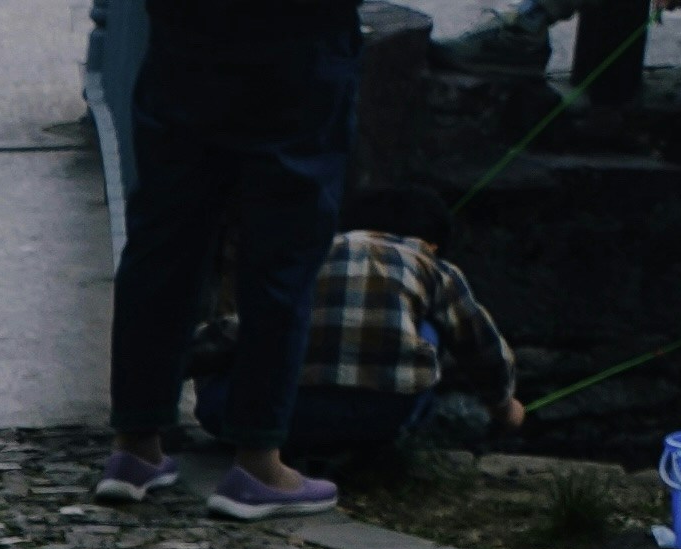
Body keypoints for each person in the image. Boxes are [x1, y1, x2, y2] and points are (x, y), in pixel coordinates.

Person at [98, 0, 363, 515]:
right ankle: (257, 459)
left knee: (162, 244)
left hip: (187, 38)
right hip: (299, 48)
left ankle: (135, 446)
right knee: (282, 252)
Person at [277, 189, 521, 486]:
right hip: (382, 416)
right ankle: (356, 449)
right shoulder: (434, 265)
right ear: (432, 244)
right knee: (429, 324)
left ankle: (291, 445)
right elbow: (482, 346)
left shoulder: (312, 254)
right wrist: (505, 408)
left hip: (287, 412)